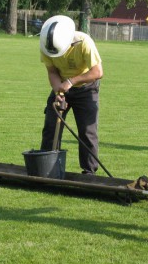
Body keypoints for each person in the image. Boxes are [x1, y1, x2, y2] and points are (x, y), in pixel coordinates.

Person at [39, 15, 103, 175]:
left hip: (87, 89)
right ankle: (47, 168)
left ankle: (89, 172)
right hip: (61, 87)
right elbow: (52, 71)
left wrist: (71, 81)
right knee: (51, 128)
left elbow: (98, 72)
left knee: (88, 131)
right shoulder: (46, 44)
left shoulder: (84, 42)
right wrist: (57, 91)